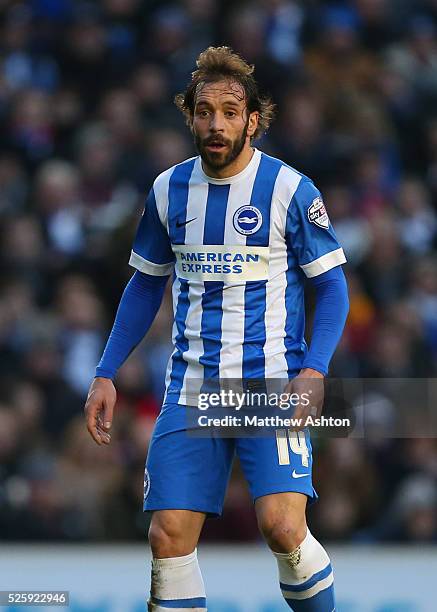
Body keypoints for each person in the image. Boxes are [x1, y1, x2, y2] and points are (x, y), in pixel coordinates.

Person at [84, 46, 349, 612]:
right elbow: (144, 285)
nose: (216, 124)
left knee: (281, 527)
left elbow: (331, 287)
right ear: (190, 117)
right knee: (167, 535)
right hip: (192, 389)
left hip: (271, 387)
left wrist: (315, 370)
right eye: (204, 111)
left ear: (253, 120)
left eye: (230, 112)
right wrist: (106, 371)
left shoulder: (289, 191)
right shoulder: (167, 191)